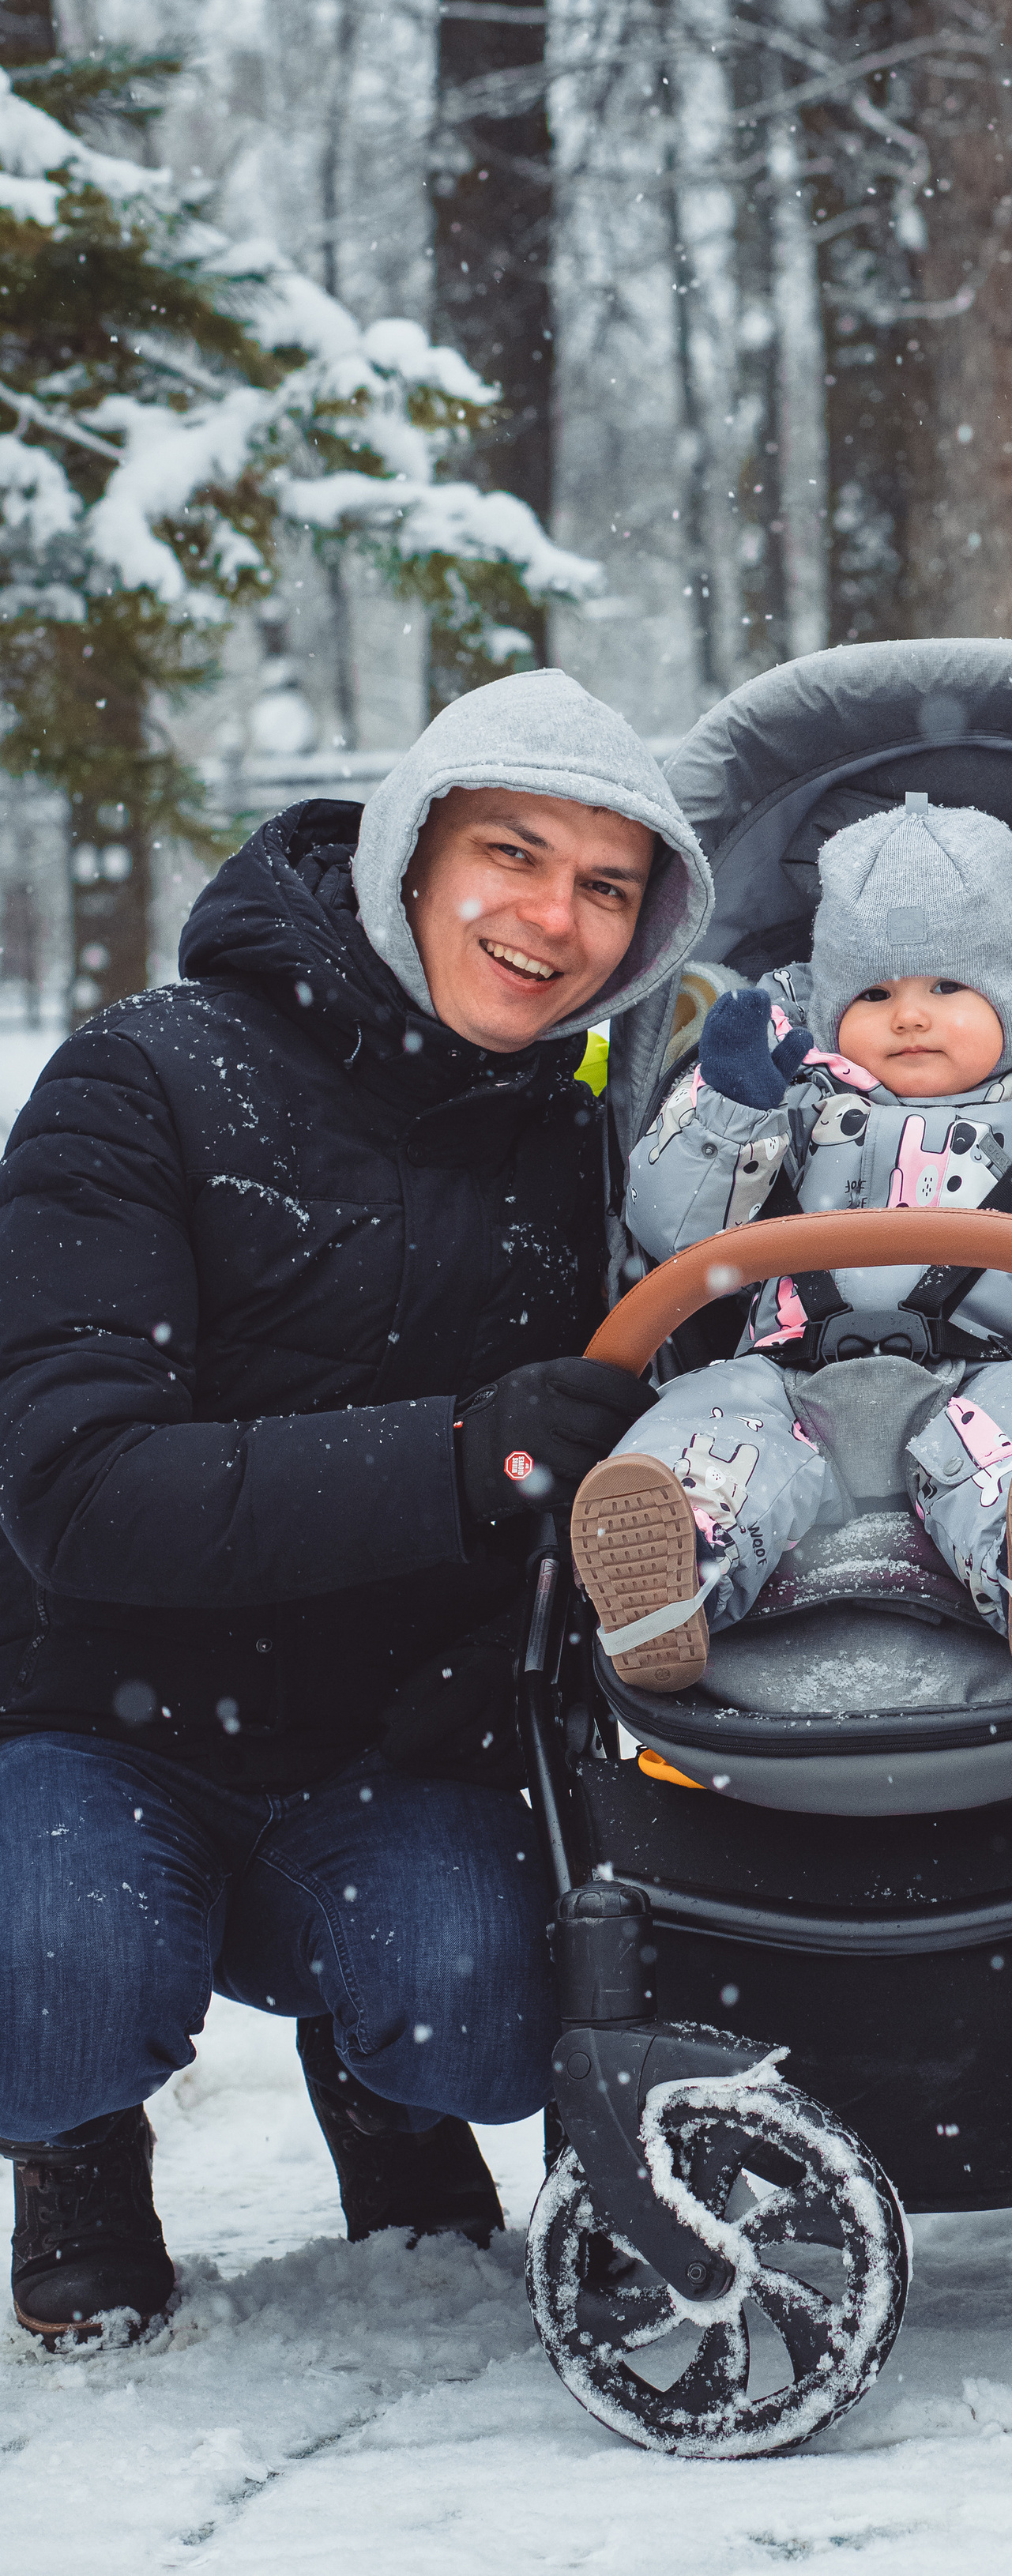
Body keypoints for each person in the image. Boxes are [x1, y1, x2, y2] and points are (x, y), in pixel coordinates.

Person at [0, 668, 710, 2344]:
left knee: (484, 2005)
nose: (551, 917)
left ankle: (381, 2075)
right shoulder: (146, 1077)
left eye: (605, 886)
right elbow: (75, 1487)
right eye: (511, 853)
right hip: (104, 1716)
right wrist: (465, 1451)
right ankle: (78, 2146)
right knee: (53, 1983)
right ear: (409, 852)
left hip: (394, 1734)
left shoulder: (582, 1145)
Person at [570, 800, 1012, 1692]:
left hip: (991, 1375)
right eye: (873, 994)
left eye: (947, 987)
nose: (909, 1015)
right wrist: (729, 1110)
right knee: (710, 1421)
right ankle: (672, 1562)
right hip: (787, 1377)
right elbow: (678, 1230)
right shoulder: (791, 1114)